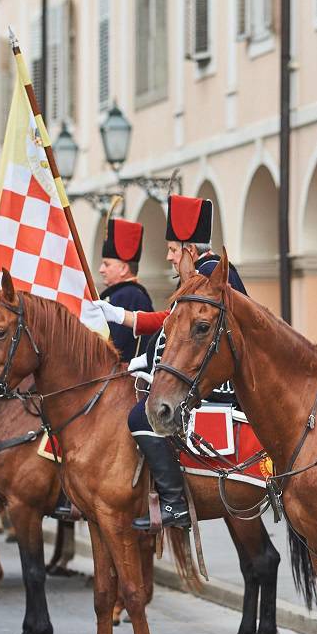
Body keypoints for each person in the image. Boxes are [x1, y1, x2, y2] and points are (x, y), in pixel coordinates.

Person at [93, 194, 247, 530]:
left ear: (190, 250)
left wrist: (125, 319)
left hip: (216, 381)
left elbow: (191, 329)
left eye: (173, 250)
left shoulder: (210, 275)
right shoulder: (202, 275)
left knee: (140, 416)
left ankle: (174, 502)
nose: (168, 256)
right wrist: (123, 317)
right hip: (201, 374)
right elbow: (170, 320)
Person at [97, 218, 153, 362]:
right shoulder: (123, 294)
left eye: (106, 264)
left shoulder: (130, 295)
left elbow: (114, 348)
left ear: (123, 268)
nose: (101, 270)